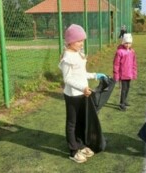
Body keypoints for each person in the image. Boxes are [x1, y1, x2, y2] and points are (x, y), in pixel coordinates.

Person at [58, 24, 107, 163]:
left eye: (82, 40)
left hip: (82, 93)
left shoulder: (78, 54)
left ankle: (80, 144)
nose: (81, 43)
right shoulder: (67, 57)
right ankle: (73, 151)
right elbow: (67, 79)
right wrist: (82, 88)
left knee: (80, 121)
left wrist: (96, 75)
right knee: (72, 123)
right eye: (79, 41)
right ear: (70, 41)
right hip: (73, 95)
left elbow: (81, 74)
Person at [113, 33, 137, 111]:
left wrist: (134, 73)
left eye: (129, 43)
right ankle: (121, 104)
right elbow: (116, 64)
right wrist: (116, 75)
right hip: (123, 74)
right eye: (126, 43)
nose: (127, 44)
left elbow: (134, 63)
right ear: (123, 42)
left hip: (129, 74)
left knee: (127, 88)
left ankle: (124, 100)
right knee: (123, 89)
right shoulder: (119, 52)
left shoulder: (132, 51)